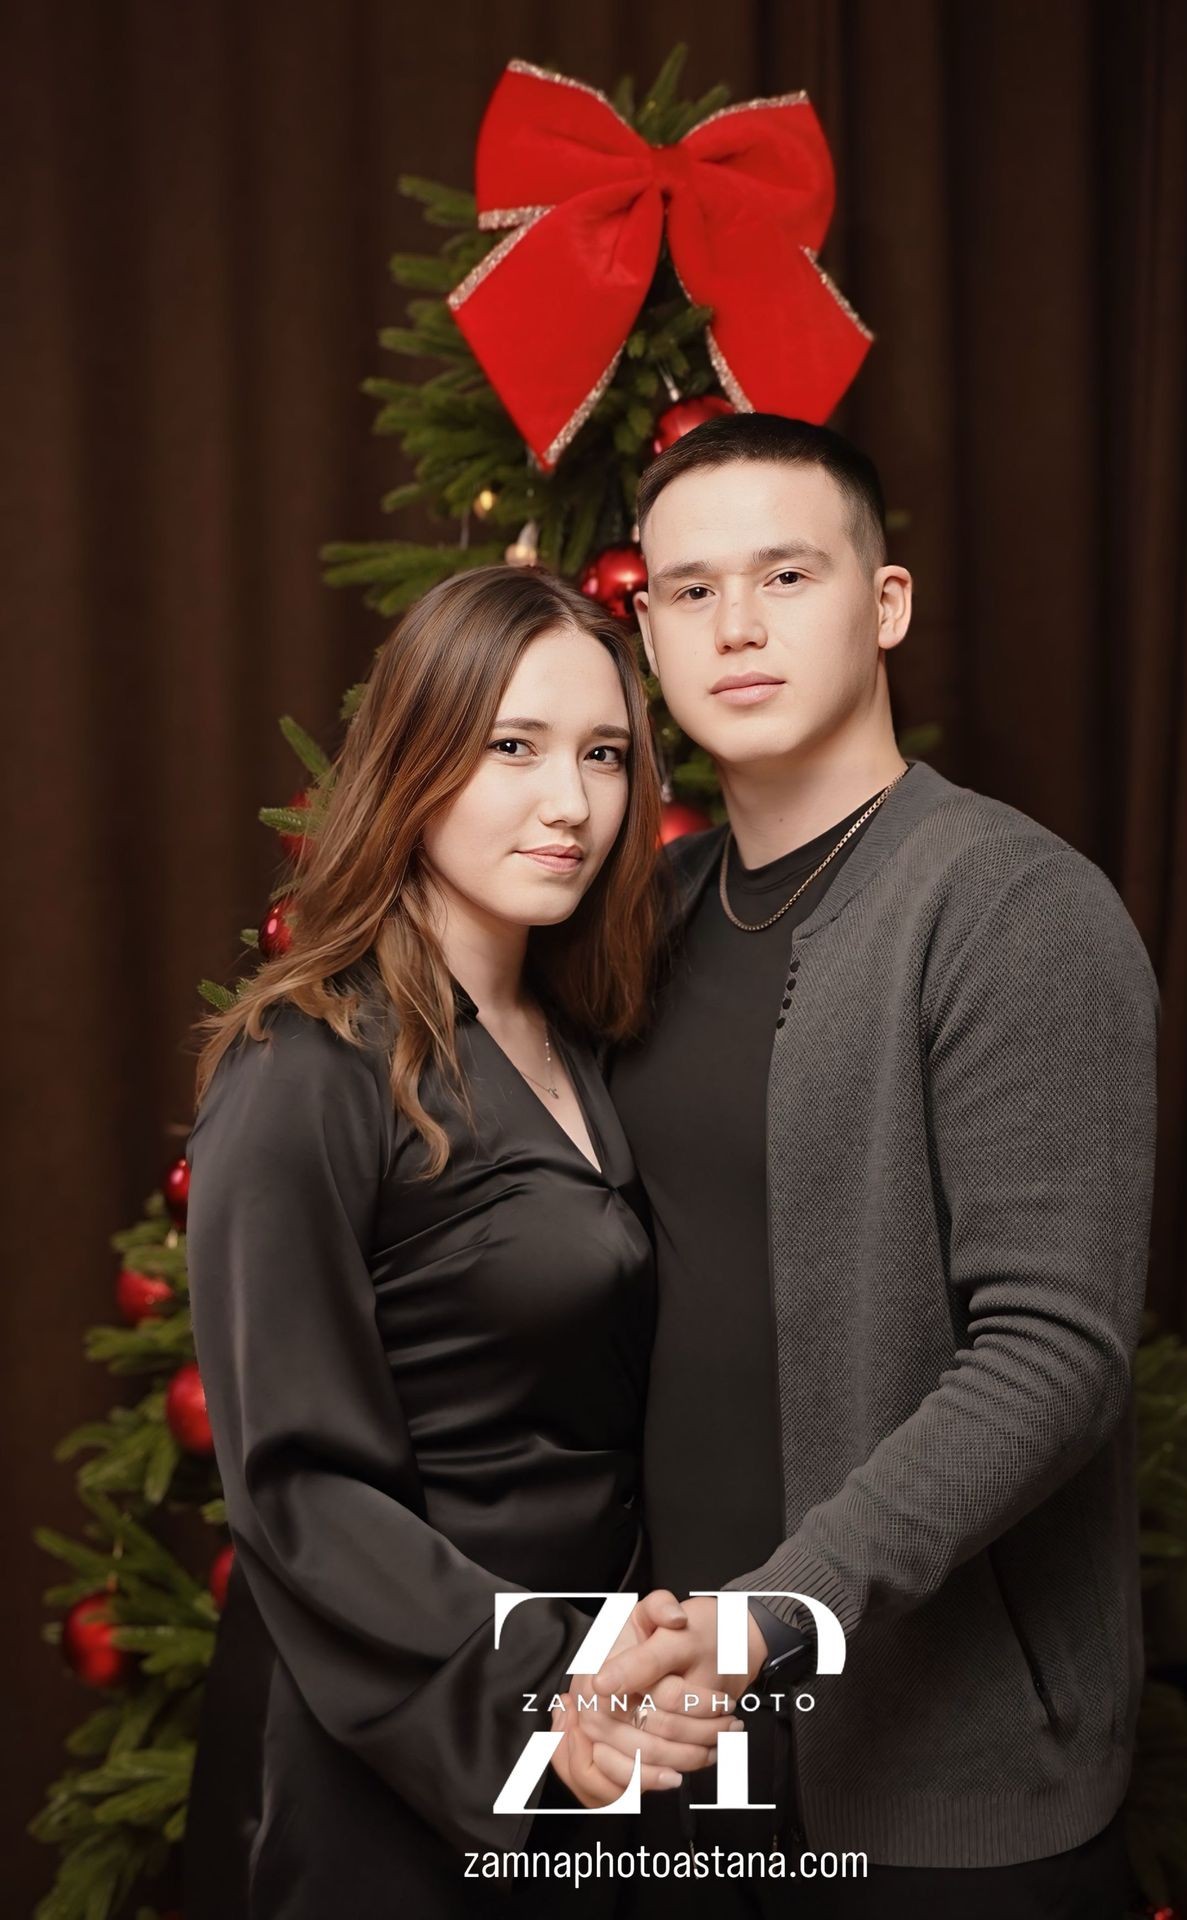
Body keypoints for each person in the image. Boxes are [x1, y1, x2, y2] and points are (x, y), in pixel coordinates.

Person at [601, 413, 1160, 1917]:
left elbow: (1050, 1353)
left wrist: (774, 1617)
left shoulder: (1009, 907)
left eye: (785, 575)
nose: (736, 627)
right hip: (681, 1748)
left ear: (885, 603)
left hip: (939, 1781)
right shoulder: (640, 918)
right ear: (646, 630)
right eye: (691, 590)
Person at [181, 565, 729, 1920]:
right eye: (512, 748)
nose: (570, 805)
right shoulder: (306, 1063)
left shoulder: (589, 1038)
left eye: (603, 755)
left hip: (603, 1712)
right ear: (418, 760)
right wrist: (544, 1692)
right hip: (395, 1743)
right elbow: (298, 1489)